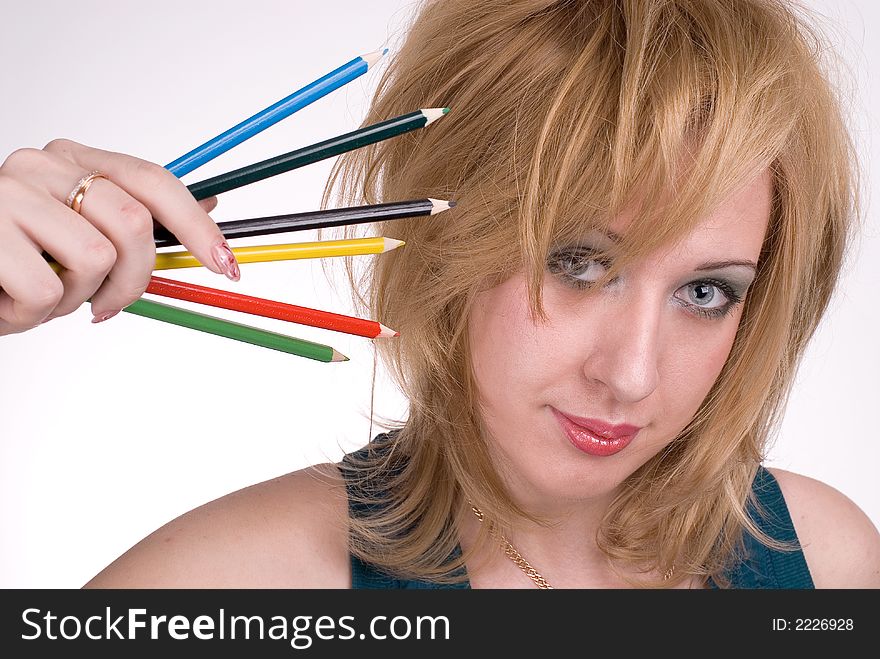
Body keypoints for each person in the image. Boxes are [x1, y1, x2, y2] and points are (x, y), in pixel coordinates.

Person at [3, 0, 878, 589]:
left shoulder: (825, 560)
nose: (633, 375)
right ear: (444, 238)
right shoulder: (231, 581)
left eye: (706, 292)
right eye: (576, 262)